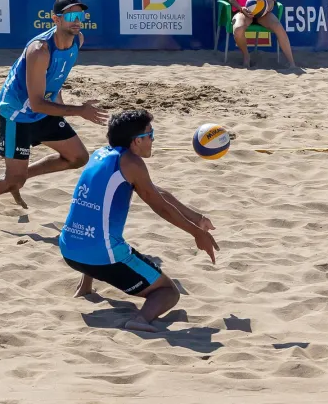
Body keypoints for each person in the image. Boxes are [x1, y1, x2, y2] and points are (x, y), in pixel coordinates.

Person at [0, 0, 108, 225]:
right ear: (56, 19)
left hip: (43, 110)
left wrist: (62, 105)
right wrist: (79, 110)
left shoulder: (78, 40)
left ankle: (18, 178)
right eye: (70, 15)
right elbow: (36, 101)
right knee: (11, 179)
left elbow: (55, 80)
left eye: (80, 15)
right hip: (16, 114)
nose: (77, 20)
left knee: (78, 157)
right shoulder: (39, 51)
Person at [59, 109, 220, 333]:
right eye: (150, 135)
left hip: (69, 250)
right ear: (136, 142)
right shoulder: (131, 163)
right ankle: (141, 320)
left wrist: (196, 217)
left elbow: (156, 192)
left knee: (94, 222)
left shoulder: (101, 154)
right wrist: (197, 233)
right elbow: (159, 206)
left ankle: (85, 286)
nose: (153, 139)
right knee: (169, 292)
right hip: (101, 256)